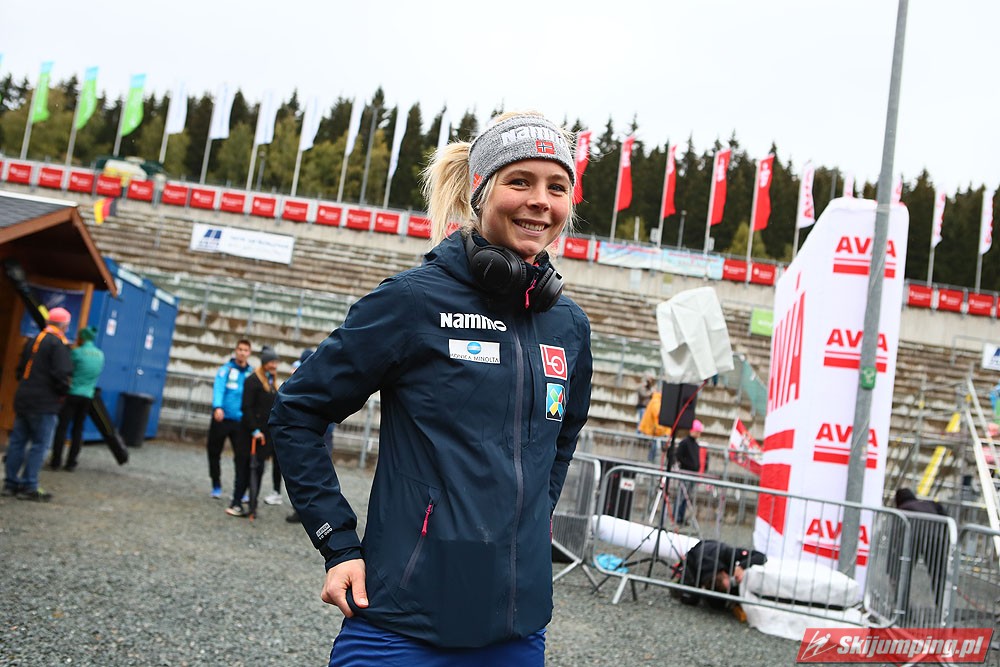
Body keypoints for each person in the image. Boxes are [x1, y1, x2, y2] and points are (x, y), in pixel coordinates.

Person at [270, 110, 593, 664]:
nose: (541, 201)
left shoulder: (569, 325)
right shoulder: (412, 301)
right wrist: (336, 542)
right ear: (479, 190)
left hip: (517, 631)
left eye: (557, 187)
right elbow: (297, 412)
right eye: (520, 181)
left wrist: (532, 520)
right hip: (400, 624)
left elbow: (561, 438)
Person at [3, 307, 73, 501]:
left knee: (17, 442)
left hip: (24, 397)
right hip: (44, 402)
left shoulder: (33, 340)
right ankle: (29, 485)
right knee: (40, 444)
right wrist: (63, 392)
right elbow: (62, 373)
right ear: (64, 325)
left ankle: (10, 483)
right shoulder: (58, 344)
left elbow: (19, 370)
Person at [227, 346, 281, 518]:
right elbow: (247, 407)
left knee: (258, 470)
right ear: (265, 363)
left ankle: (252, 504)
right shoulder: (253, 380)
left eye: (276, 362)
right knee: (244, 469)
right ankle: (236, 502)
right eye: (272, 362)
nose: (275, 365)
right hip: (250, 435)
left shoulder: (271, 382)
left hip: (264, 436)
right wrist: (254, 429)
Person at [49, 326, 105, 471]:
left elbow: (67, 371)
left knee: (62, 427)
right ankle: (71, 463)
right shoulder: (100, 355)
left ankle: (56, 461)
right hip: (88, 395)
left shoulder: (77, 353)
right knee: (78, 429)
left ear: (81, 338)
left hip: (73, 393)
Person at [206, 339, 254, 499]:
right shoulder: (225, 370)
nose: (242, 353)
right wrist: (217, 407)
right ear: (235, 351)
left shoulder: (251, 373)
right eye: (240, 349)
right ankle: (216, 484)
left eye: (245, 350)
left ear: (249, 353)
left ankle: (240, 490)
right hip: (222, 418)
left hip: (240, 421)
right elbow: (219, 388)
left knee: (242, 457)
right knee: (214, 452)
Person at [677, 539, 767, 613]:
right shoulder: (696, 573)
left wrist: (741, 566)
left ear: (724, 573)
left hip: (711, 547)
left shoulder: (728, 554)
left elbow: (761, 556)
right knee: (692, 599)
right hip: (695, 555)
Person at [893, 487, 949, 605]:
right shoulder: (929, 503)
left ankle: (902, 606)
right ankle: (942, 607)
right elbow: (944, 515)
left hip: (913, 538)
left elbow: (897, 532)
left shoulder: (903, 509)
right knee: (938, 575)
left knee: (903, 572)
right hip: (935, 537)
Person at [673, 418, 703, 525]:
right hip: (686, 472)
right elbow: (679, 456)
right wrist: (687, 464)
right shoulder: (685, 442)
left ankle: (680, 517)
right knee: (682, 496)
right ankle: (677, 516)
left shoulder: (695, 444)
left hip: (692, 474)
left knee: (686, 497)